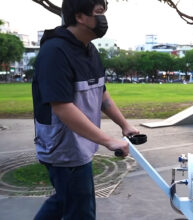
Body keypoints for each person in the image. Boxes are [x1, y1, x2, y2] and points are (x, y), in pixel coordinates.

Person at [32, 0, 139, 219]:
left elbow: (101, 94)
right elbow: (62, 108)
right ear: (80, 17)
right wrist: (108, 141)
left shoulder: (89, 50)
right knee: (81, 211)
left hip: (80, 145)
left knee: (63, 202)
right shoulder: (55, 52)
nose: (103, 19)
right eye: (99, 12)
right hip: (63, 148)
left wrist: (124, 125)